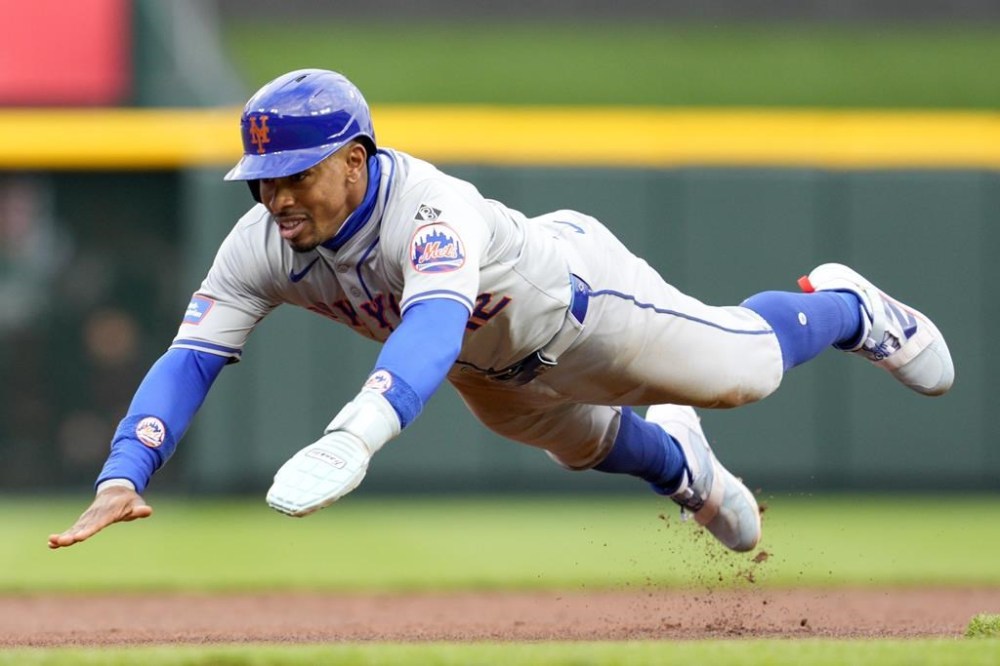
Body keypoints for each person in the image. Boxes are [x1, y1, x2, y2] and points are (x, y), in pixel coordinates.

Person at [48, 69, 954, 553]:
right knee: (585, 444)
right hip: (492, 371)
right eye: (261, 181)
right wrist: (126, 471)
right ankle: (683, 470)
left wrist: (360, 431)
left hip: (582, 303)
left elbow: (431, 324)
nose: (276, 198)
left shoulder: (425, 205)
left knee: (746, 373)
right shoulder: (260, 243)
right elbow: (191, 356)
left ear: (356, 157)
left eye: (297, 174)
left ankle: (848, 306)